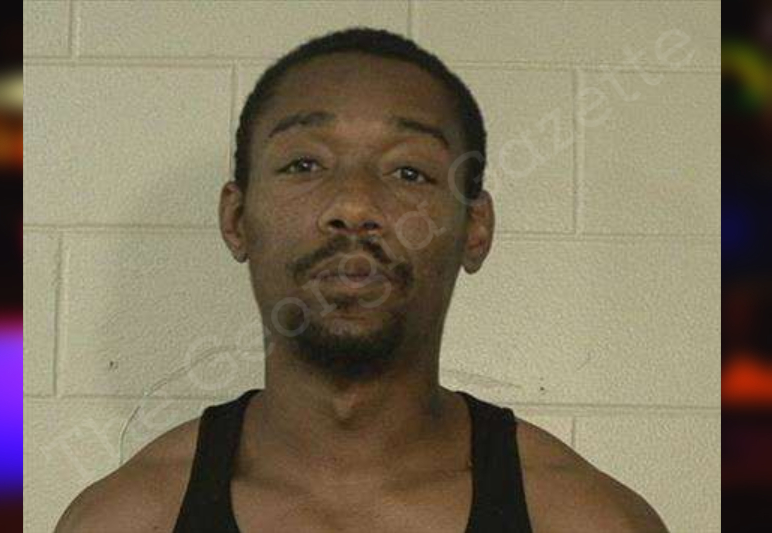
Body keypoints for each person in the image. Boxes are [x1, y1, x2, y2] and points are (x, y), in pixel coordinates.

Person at [55, 28, 669, 533]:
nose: (353, 204)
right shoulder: (126, 519)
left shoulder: (588, 520)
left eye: (409, 172)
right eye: (305, 164)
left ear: (474, 229)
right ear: (237, 219)